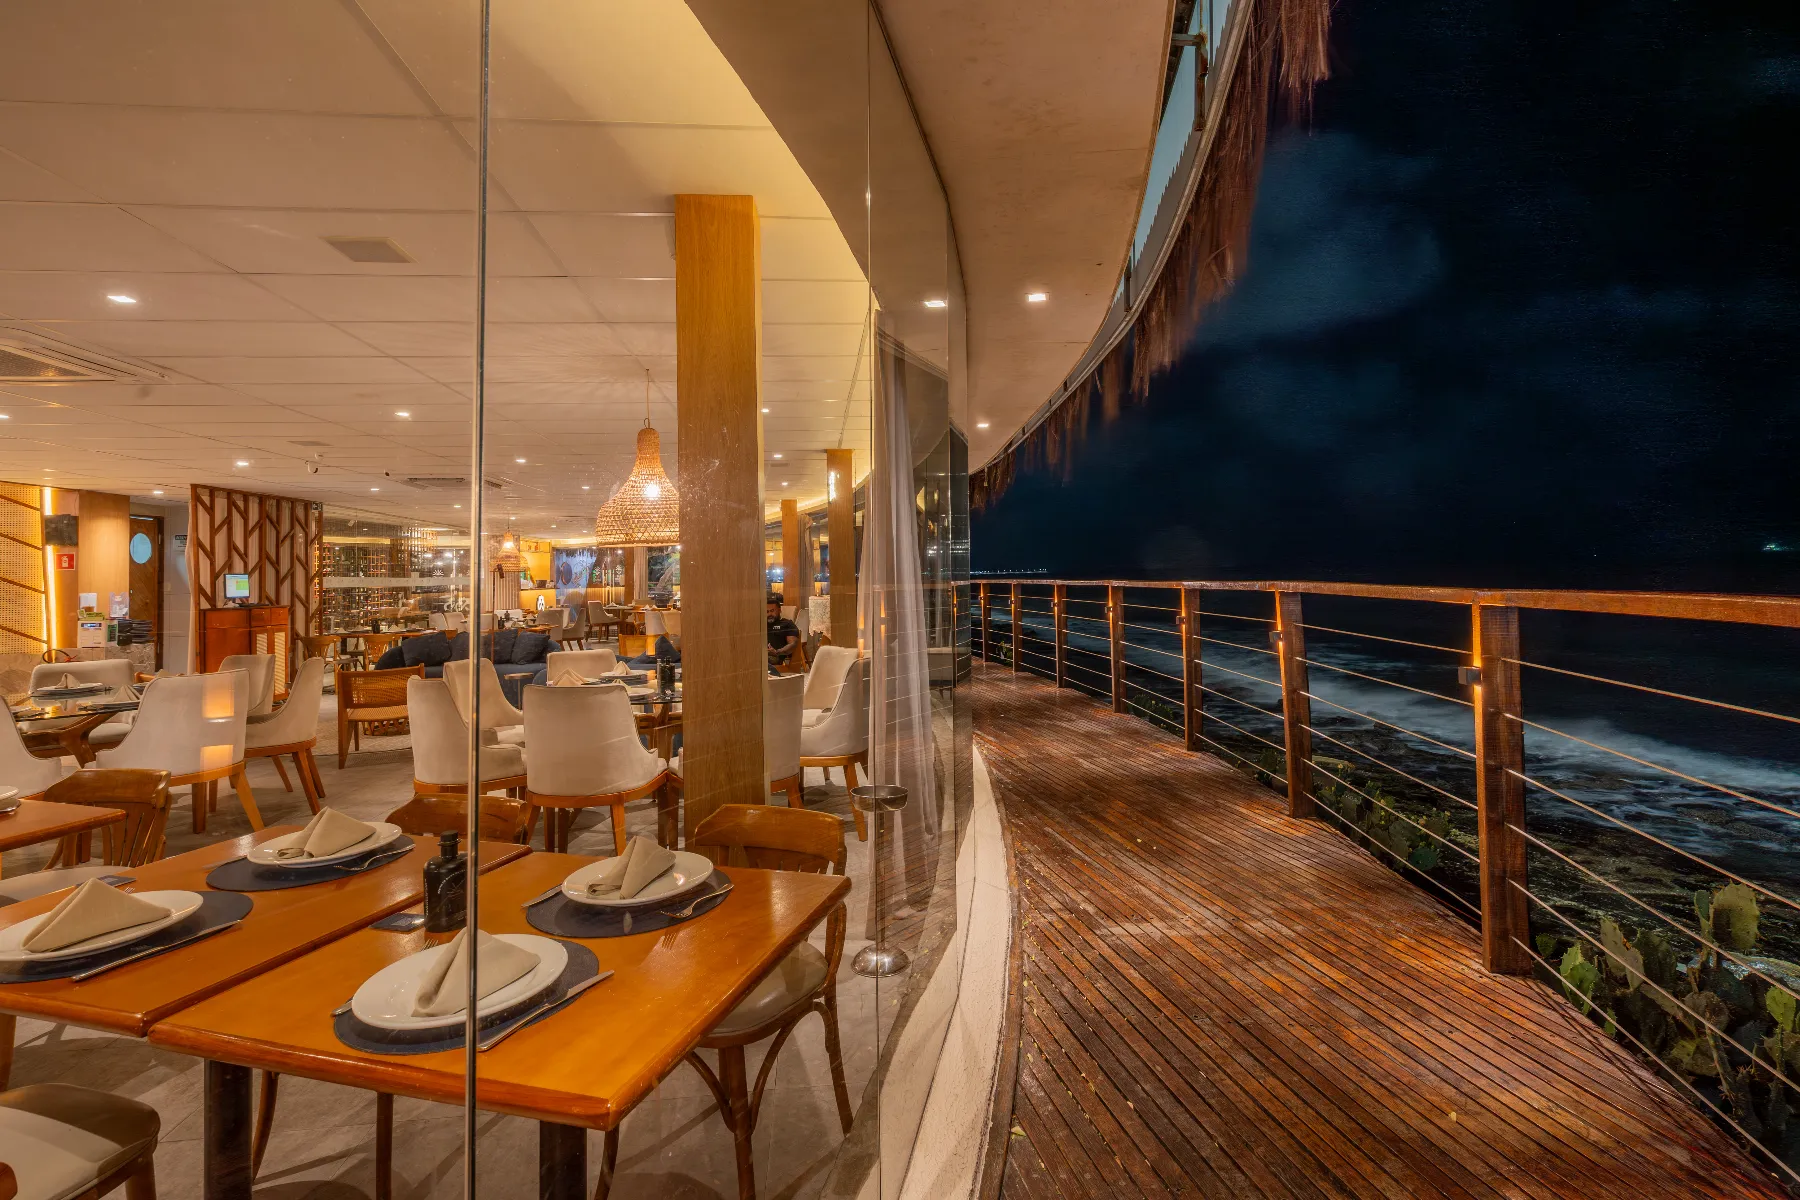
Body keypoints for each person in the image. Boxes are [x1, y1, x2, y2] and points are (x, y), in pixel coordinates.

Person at [767, 592, 800, 669]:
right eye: (767, 612)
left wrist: (777, 652)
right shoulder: (760, 625)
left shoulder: (787, 624)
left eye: (772, 611)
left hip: (774, 657)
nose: (769, 614)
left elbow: (793, 644)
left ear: (779, 610)